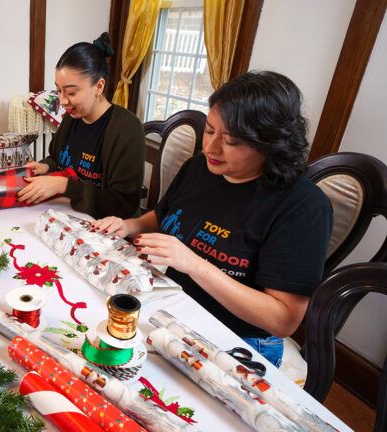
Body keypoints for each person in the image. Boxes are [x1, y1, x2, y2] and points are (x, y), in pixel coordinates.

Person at [93, 71, 333, 367]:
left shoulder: (303, 207)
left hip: (240, 339)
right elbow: (166, 217)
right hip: (178, 307)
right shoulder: (199, 168)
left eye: (231, 141)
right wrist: (128, 225)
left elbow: (282, 320)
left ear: (271, 144)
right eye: (209, 130)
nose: (211, 148)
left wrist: (193, 263)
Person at [17, 33, 144, 219]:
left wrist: (64, 186)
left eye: (71, 92)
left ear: (99, 87)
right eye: (59, 90)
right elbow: (58, 159)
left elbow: (122, 204)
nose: (62, 101)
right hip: (70, 214)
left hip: (108, 227)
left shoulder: (127, 129)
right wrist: (45, 167)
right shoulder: (72, 118)